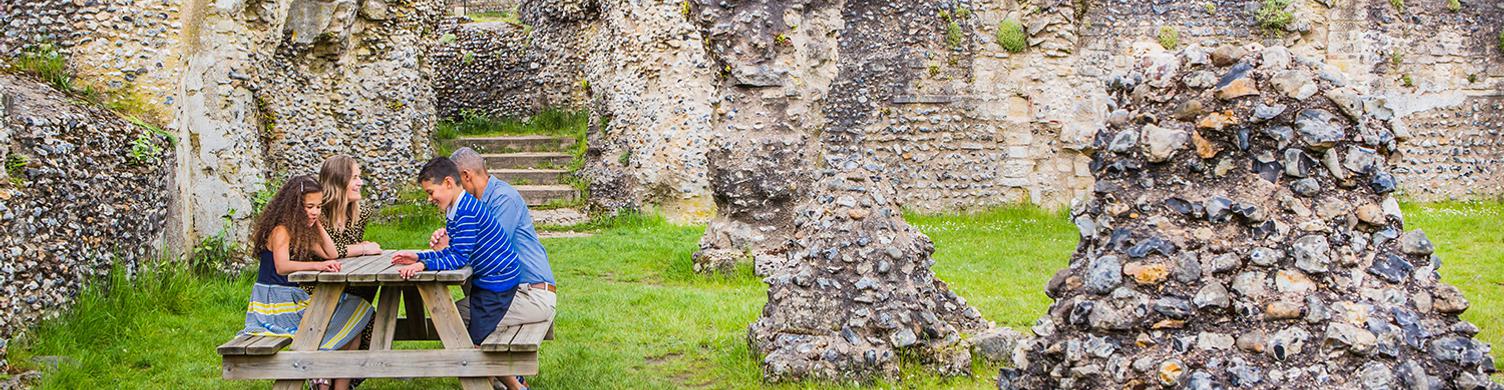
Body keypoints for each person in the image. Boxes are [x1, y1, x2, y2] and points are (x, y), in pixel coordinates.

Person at [239, 175, 373, 390]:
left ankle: (334, 384)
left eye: (319, 207)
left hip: (293, 299)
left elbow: (331, 253)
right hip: (275, 303)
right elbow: (282, 266)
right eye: (309, 206)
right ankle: (320, 371)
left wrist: (317, 223)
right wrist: (316, 266)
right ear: (294, 207)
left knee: (355, 320)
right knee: (346, 318)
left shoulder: (302, 232)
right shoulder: (281, 230)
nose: (314, 211)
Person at [441, 148, 556, 390]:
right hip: (514, 294)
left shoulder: (504, 199)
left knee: (451, 317)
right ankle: (508, 381)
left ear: (467, 176)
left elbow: (486, 252)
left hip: (532, 295)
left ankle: (510, 383)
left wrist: (450, 246)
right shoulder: (476, 205)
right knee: (461, 315)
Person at [391, 157, 522, 344]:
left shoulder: (466, 212)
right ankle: (504, 374)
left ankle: (511, 375)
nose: (429, 199)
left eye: (431, 192)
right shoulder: (457, 208)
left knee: (475, 343)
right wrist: (418, 256)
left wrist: (423, 265)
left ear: (448, 183)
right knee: (472, 339)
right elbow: (454, 251)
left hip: (497, 283)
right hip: (488, 282)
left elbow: (459, 258)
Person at [317, 155, 382, 389]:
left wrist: (357, 250)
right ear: (338, 181)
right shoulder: (318, 214)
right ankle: (323, 378)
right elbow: (329, 254)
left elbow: (346, 255)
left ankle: (340, 384)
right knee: (358, 315)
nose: (360, 183)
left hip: (351, 287)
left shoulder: (359, 214)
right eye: (355, 177)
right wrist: (362, 248)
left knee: (365, 314)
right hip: (318, 292)